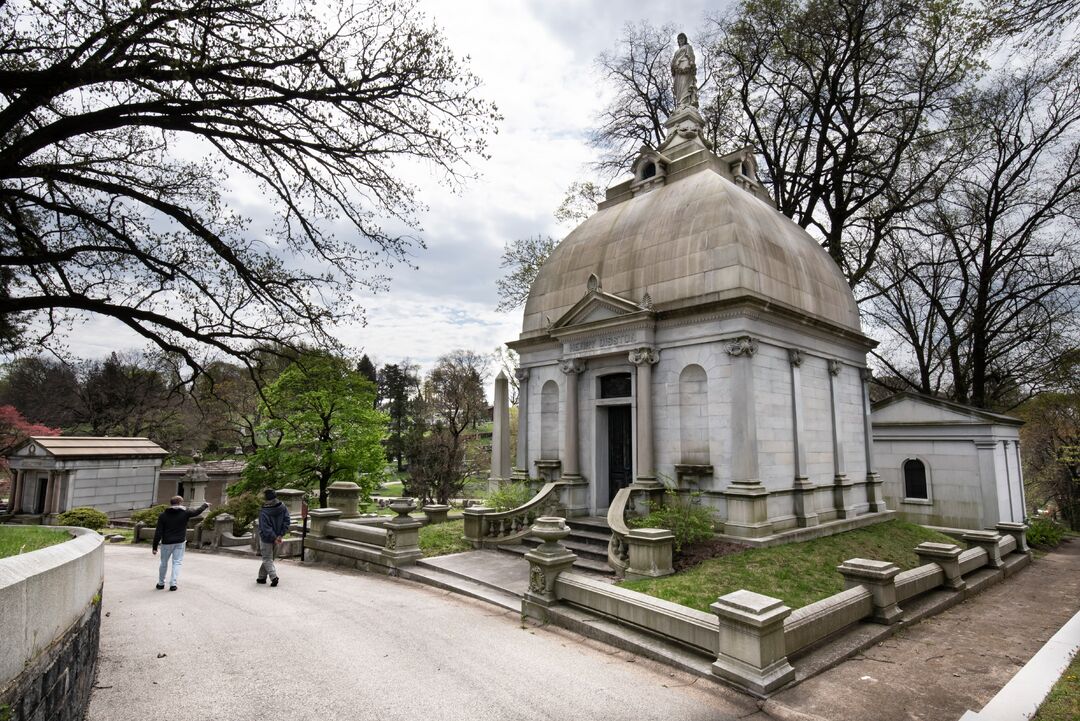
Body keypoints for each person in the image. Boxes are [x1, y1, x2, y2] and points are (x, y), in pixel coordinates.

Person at [152, 495, 209, 591]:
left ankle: (161, 583)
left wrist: (154, 547)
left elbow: (158, 532)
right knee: (177, 563)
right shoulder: (185, 513)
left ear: (171, 503)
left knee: (163, 563)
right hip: (180, 542)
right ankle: (173, 584)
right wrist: (205, 505)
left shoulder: (163, 515)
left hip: (166, 542)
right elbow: (196, 512)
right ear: (180, 503)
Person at [257, 489, 291, 586]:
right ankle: (261, 577)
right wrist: (280, 535)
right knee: (269, 558)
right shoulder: (283, 507)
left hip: (266, 538)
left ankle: (273, 577)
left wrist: (274, 537)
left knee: (267, 558)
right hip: (278, 536)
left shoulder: (263, 511)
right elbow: (287, 521)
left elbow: (265, 527)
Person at [671, 32, 698, 110]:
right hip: (677, 69)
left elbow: (691, 55)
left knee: (685, 84)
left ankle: (685, 103)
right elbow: (673, 61)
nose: (681, 40)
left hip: (685, 65)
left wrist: (691, 64)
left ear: (685, 39)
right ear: (678, 41)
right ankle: (680, 103)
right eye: (679, 39)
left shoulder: (687, 47)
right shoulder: (676, 51)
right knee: (678, 86)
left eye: (682, 38)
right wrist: (673, 67)